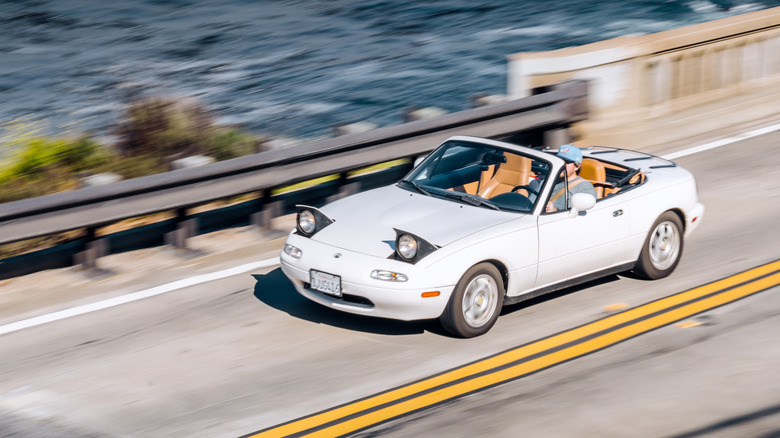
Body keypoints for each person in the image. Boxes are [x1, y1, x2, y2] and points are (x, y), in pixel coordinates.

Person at [545, 145, 597, 213]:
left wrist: (555, 211)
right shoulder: (548, 179)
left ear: (577, 167)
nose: (561, 165)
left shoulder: (584, 187)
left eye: (566, 162)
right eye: (559, 161)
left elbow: (587, 214)